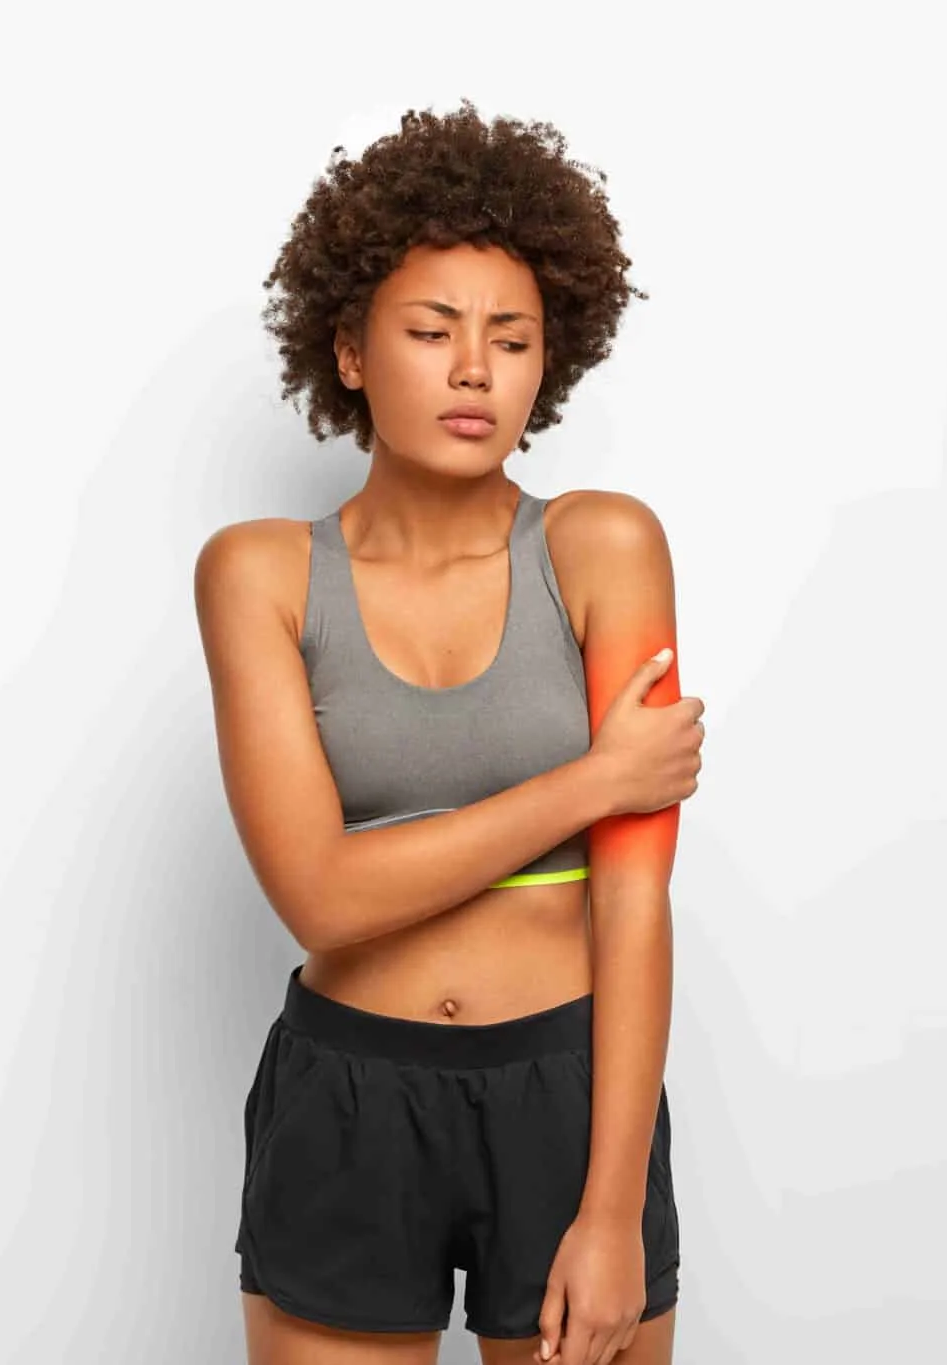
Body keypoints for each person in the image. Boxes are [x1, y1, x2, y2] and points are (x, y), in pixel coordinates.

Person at [193, 101, 702, 1365]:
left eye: (512, 339)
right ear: (353, 353)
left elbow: (633, 904)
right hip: (348, 1094)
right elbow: (320, 895)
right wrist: (593, 780)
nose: (474, 369)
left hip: (574, 1093)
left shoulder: (603, 544)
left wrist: (609, 1208)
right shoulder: (257, 574)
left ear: (550, 362)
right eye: (431, 332)